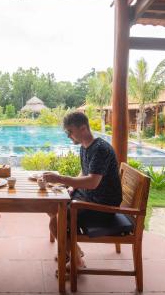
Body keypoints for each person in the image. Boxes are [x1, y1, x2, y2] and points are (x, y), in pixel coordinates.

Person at [43, 111, 122, 272]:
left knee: (56, 222)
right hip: (89, 198)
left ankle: (77, 262)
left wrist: (60, 179)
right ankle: (73, 250)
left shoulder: (100, 149)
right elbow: (84, 172)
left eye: (70, 131)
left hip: (102, 205)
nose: (68, 136)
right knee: (51, 207)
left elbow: (92, 182)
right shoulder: (85, 146)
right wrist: (72, 187)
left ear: (83, 128)